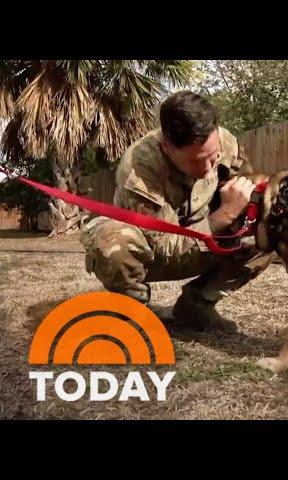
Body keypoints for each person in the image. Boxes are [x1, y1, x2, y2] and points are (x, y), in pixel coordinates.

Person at [80, 90, 273, 333]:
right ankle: (133, 311)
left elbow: (248, 189)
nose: (206, 169)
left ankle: (196, 307)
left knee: (267, 228)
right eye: (195, 161)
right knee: (112, 240)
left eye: (213, 158)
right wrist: (225, 215)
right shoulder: (139, 169)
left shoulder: (226, 142)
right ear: (167, 147)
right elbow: (164, 247)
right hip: (151, 255)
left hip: (205, 244)